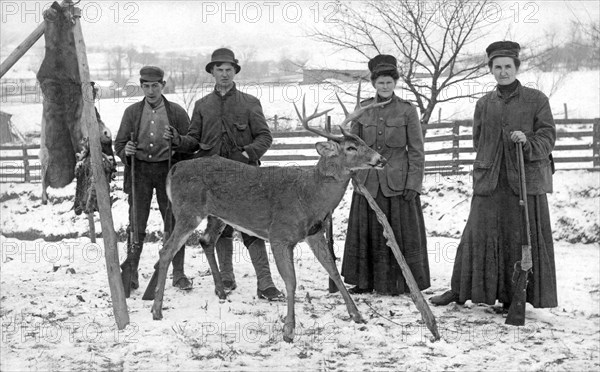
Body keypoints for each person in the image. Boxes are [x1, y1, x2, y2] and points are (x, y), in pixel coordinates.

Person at [430, 41, 558, 311]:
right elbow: (479, 141)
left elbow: (548, 137)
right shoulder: (484, 103)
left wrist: (528, 141)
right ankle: (462, 290)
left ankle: (517, 297)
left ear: (517, 68)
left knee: (520, 237)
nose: (503, 72)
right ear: (491, 70)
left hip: (524, 183)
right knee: (475, 235)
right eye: (497, 67)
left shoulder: (537, 100)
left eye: (507, 67)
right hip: (490, 182)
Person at [164, 48, 284, 301]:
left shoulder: (250, 103)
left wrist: (247, 153)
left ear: (235, 72)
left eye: (229, 69)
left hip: (245, 177)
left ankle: (265, 284)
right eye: (219, 70)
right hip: (213, 180)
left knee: (252, 227)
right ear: (212, 73)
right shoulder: (202, 105)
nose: (224, 74)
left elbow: (265, 136)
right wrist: (177, 140)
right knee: (219, 228)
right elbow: (193, 141)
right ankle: (227, 277)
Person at [341, 54, 430, 295]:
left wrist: (414, 183)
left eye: (389, 82)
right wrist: (353, 178)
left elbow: (417, 151)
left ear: (395, 83)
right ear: (374, 84)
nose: (385, 86)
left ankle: (400, 283)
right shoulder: (362, 110)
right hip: (368, 183)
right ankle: (364, 281)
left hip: (398, 184)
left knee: (399, 234)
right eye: (380, 82)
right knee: (367, 233)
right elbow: (353, 148)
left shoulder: (407, 110)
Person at [114, 66, 192, 291]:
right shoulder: (132, 113)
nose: (150, 90)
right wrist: (125, 150)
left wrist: (176, 139)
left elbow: (191, 143)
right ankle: (131, 272)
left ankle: (178, 274)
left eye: (155, 86)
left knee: (174, 223)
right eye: (146, 86)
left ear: (163, 86)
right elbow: (119, 144)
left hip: (168, 174)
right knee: (136, 223)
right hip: (139, 174)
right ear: (141, 86)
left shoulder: (176, 112)